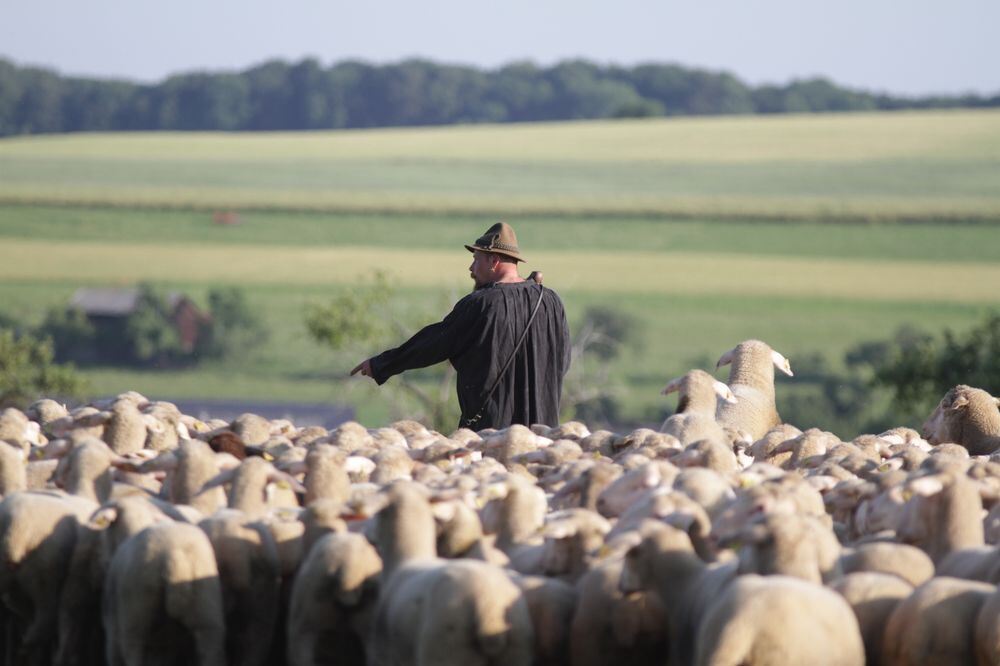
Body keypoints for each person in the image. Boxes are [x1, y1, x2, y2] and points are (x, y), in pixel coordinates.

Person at [351, 222, 571, 430]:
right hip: (543, 434)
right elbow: (563, 361)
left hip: (490, 436)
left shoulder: (480, 304)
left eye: (476, 259)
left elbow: (433, 343)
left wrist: (382, 364)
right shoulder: (550, 302)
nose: (471, 267)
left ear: (494, 261)